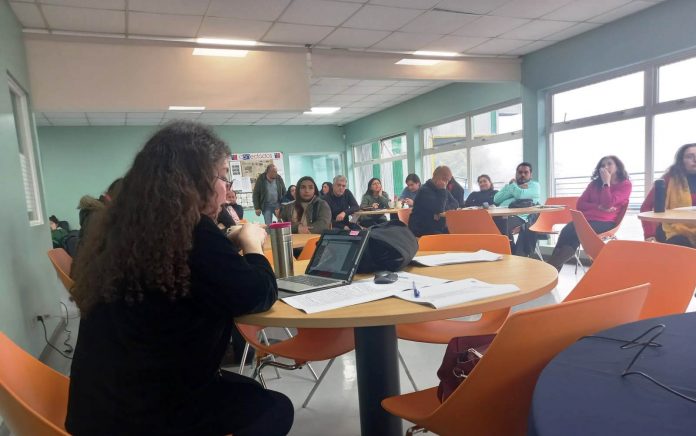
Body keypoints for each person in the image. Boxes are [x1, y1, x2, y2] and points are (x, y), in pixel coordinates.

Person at [65, 121, 293, 436]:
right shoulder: (193, 232)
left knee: (247, 390)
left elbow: (191, 272)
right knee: (275, 408)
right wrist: (253, 244)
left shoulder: (123, 230)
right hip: (147, 417)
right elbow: (256, 294)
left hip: (97, 410)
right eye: (222, 176)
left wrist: (225, 243)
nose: (226, 187)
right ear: (196, 181)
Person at [546, 156, 632, 270]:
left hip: (606, 222)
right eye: (603, 165)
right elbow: (580, 204)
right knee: (567, 231)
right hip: (586, 220)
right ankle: (551, 271)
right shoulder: (594, 184)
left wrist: (606, 183)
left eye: (609, 164)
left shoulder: (625, 185)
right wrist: (598, 207)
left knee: (577, 232)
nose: (605, 167)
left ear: (618, 167)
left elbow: (608, 203)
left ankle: (548, 269)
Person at [641, 143, 696, 247]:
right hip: (672, 229)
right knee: (680, 242)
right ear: (681, 161)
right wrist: (649, 234)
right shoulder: (668, 179)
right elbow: (646, 207)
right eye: (690, 156)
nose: (695, 159)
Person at [493, 162, 541, 256]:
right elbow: (496, 199)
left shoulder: (534, 186)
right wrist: (514, 187)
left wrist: (514, 186)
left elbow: (520, 195)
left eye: (526, 172)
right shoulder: (511, 185)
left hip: (520, 217)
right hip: (500, 214)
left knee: (500, 225)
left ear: (530, 175)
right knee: (486, 224)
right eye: (520, 172)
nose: (522, 174)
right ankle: (511, 253)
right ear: (516, 173)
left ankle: (509, 254)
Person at [408, 166, 459, 237]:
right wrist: (442, 190)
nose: (447, 183)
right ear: (439, 178)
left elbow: (455, 203)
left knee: (457, 232)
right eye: (446, 180)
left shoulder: (442, 189)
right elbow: (439, 209)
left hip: (435, 225)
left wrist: (443, 208)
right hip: (421, 228)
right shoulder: (425, 190)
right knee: (451, 237)